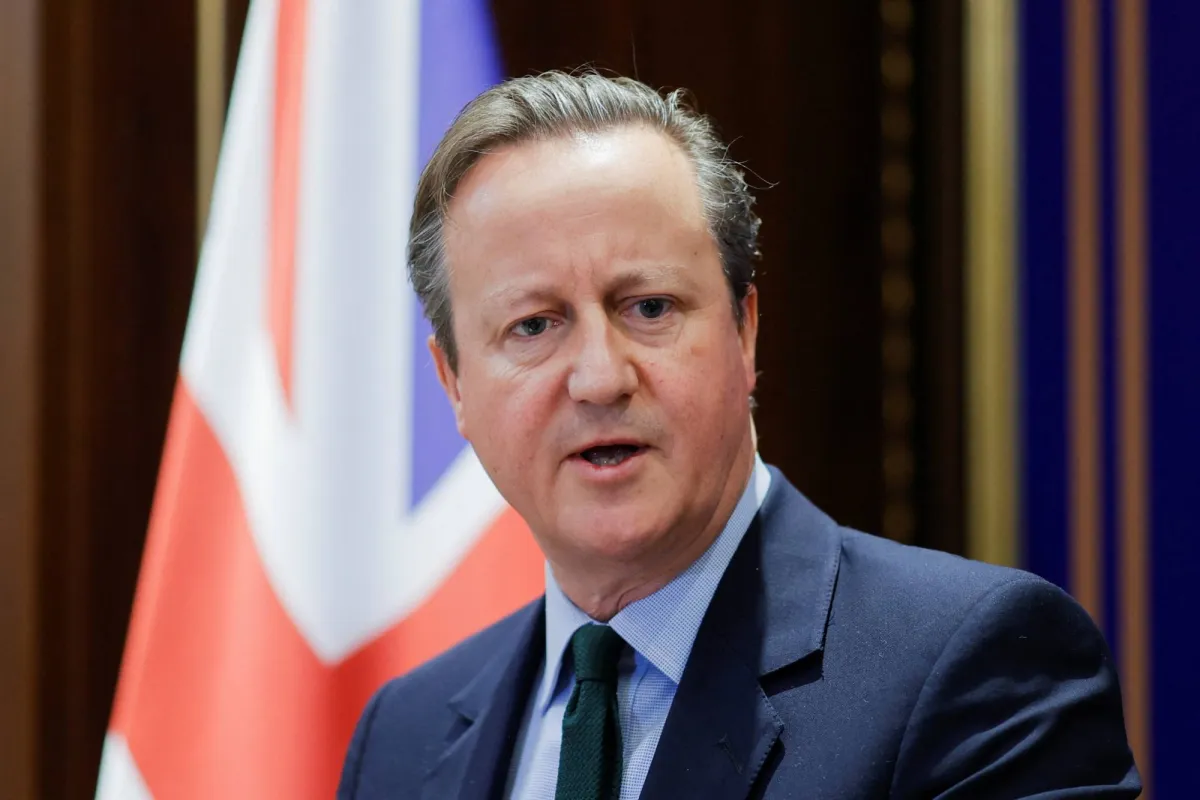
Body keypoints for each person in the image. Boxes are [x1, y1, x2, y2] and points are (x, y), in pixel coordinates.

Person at [337, 72, 1140, 800]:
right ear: (454, 384)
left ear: (745, 331)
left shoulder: (978, 669)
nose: (600, 378)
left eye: (649, 307)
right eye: (534, 325)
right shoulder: (402, 741)